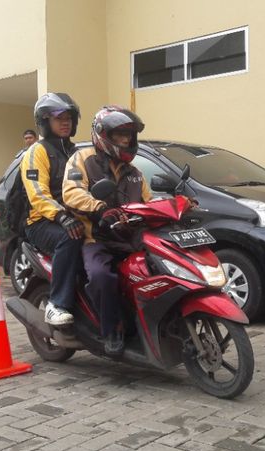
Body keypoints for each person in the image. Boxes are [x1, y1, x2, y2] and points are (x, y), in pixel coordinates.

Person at [62, 106, 151, 355]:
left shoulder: (135, 173)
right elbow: (71, 192)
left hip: (130, 239)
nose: (125, 140)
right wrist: (99, 208)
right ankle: (111, 329)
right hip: (96, 239)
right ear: (103, 135)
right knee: (101, 276)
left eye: (129, 136)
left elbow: (148, 203)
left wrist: (177, 208)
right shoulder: (82, 159)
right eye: (119, 135)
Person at [21, 93, 84, 326]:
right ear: (45, 122)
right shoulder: (37, 152)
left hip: (73, 217)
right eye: (58, 118)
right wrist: (61, 216)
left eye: (68, 118)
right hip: (41, 222)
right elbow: (37, 194)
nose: (65, 122)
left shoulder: (76, 152)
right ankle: (56, 305)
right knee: (69, 239)